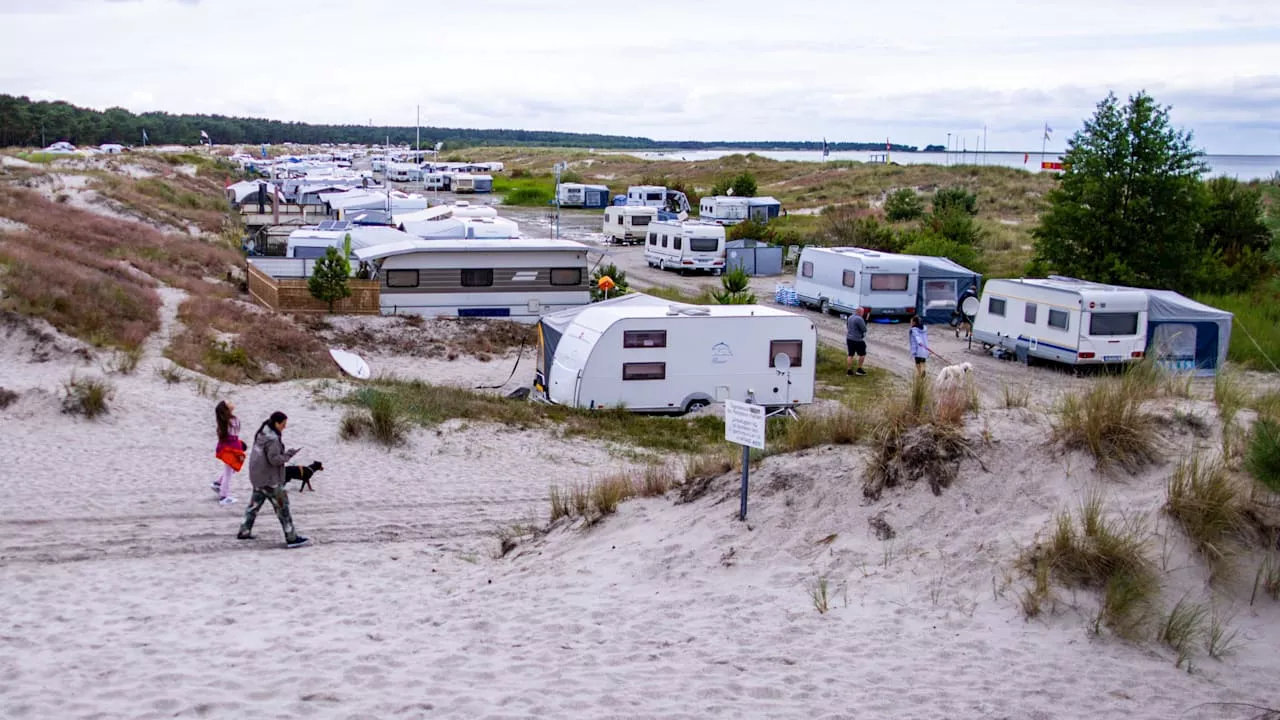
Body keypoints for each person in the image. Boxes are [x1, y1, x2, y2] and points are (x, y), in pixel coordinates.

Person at [238, 411, 310, 548]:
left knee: (254, 505)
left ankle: (244, 531)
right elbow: (274, 460)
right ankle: (292, 538)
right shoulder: (273, 439)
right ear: (277, 423)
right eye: (283, 424)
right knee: (283, 509)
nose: (285, 427)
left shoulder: (261, 434)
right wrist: (288, 455)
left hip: (257, 477)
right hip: (270, 480)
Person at [210, 401, 245, 505]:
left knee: (231, 469)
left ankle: (218, 483)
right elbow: (233, 435)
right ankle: (223, 496)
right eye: (228, 403)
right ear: (227, 409)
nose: (231, 403)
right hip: (231, 448)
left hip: (228, 447)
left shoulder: (224, 421)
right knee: (229, 471)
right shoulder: (231, 420)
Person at [845, 308, 868, 376]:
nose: (863, 313)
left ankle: (849, 371)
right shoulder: (859, 319)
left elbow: (847, 326)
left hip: (849, 338)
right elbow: (864, 329)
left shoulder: (850, 317)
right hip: (857, 339)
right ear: (860, 312)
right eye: (863, 312)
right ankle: (859, 369)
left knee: (850, 354)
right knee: (862, 354)